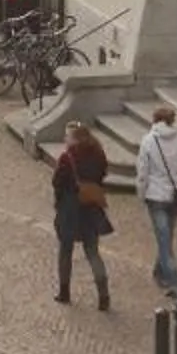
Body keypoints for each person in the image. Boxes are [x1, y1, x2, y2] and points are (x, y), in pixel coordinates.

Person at [51, 121, 113, 310]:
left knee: (65, 250)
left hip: (71, 208)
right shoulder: (98, 154)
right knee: (92, 251)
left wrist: (59, 202)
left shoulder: (67, 157)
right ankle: (104, 295)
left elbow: (57, 182)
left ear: (75, 139)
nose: (65, 139)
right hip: (91, 207)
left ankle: (64, 291)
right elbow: (102, 174)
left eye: (67, 136)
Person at [136, 101, 177, 295]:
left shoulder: (149, 141)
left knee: (164, 240)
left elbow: (143, 172)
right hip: (176, 194)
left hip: (156, 196)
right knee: (166, 235)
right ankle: (159, 272)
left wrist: (141, 194)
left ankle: (176, 284)